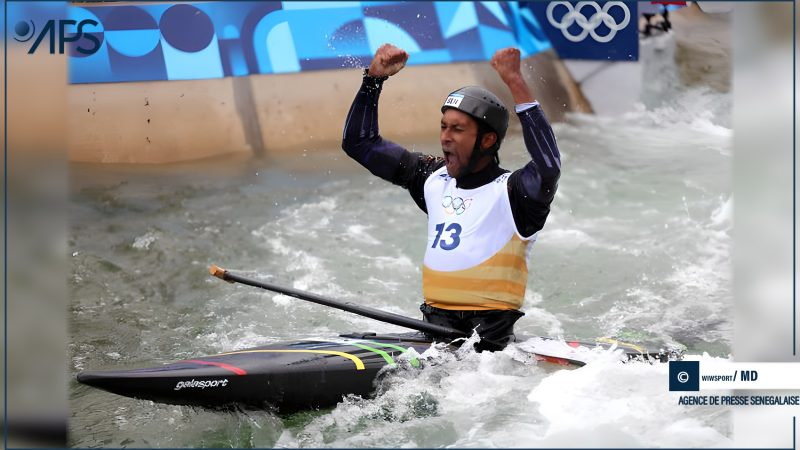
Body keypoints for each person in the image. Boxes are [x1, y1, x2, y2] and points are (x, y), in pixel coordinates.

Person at [341, 44, 560, 351]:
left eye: (458, 129)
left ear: (487, 140)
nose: (445, 137)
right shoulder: (431, 178)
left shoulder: (516, 192)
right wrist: (373, 79)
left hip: (490, 351)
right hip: (432, 333)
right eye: (444, 126)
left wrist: (515, 82)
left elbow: (548, 166)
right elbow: (360, 144)